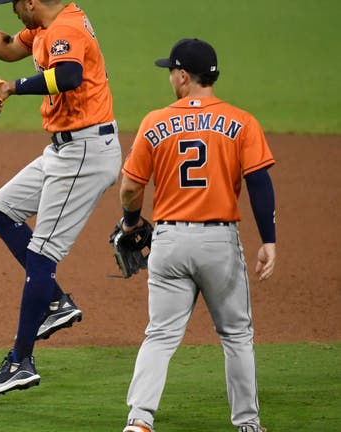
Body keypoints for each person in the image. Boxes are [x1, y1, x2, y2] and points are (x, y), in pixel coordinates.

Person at [0, 0, 122, 397]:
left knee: (41, 255)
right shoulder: (44, 27)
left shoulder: (65, 29)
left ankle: (20, 361)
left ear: (31, 1)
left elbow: (68, 76)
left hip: (84, 153)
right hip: (64, 149)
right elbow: (5, 45)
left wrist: (8, 87)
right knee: (0, 210)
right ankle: (55, 302)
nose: (14, 11)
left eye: (15, 3)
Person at [118, 38, 275, 432]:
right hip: (219, 242)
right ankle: (248, 424)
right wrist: (268, 240)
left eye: (170, 71)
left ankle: (139, 420)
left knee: (159, 336)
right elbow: (259, 183)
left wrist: (131, 220)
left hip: (169, 243)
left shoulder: (155, 121)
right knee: (237, 336)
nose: (169, 78)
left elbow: (130, 187)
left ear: (184, 75)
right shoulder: (242, 122)